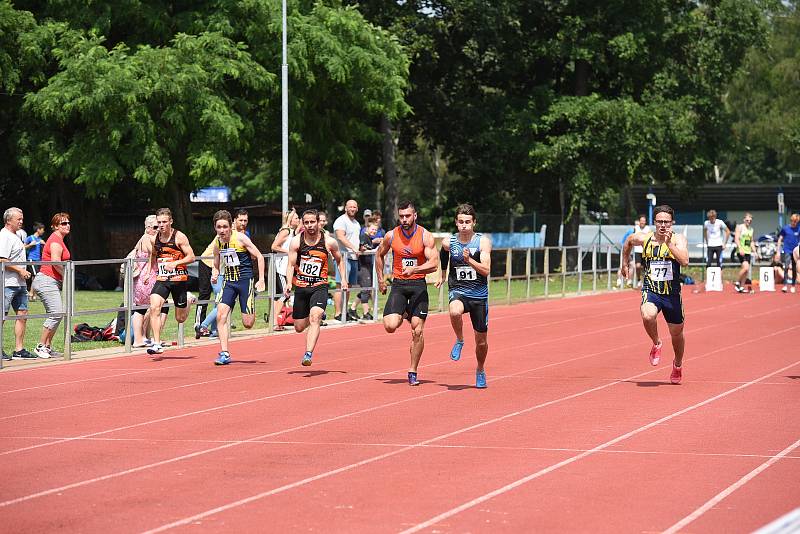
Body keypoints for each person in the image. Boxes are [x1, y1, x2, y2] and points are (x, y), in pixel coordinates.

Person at [622, 204, 689, 385]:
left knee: (676, 333)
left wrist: (668, 244)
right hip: (652, 290)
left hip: (672, 294)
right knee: (647, 314)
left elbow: (684, 260)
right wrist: (624, 263)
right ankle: (657, 342)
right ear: (654, 222)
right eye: (659, 221)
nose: (663, 225)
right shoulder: (645, 239)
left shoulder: (678, 239)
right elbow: (628, 241)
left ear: (672, 223)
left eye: (666, 222)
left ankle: (677, 364)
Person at [374, 200, 439, 386]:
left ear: (415, 216)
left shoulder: (425, 236)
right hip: (399, 285)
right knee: (390, 326)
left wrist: (416, 269)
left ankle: (412, 370)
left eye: (407, 216)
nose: (404, 219)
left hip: (418, 285)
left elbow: (434, 263)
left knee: (417, 330)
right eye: (401, 216)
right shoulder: (391, 236)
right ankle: (403, 312)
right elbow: (379, 254)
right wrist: (380, 280)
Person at [435, 204, 492, 388]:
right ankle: (460, 340)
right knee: (454, 311)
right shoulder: (449, 242)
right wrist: (443, 273)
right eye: (461, 222)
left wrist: (469, 260)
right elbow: (443, 253)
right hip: (458, 291)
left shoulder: (482, 242)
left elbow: (486, 271)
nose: (464, 225)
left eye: (468, 222)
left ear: (474, 222)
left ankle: (480, 369)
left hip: (479, 295)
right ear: (456, 223)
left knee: (481, 342)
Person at [283, 209, 346, 366]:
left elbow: (340, 260)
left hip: (319, 286)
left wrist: (343, 279)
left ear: (318, 222)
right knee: (298, 327)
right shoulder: (297, 241)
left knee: (314, 317)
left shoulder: (328, 242)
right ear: (303, 224)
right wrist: (289, 282)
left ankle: (308, 354)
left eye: (313, 222)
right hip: (302, 287)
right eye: (306, 222)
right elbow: (291, 264)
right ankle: (316, 315)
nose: (310, 225)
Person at [210, 210, 266, 365]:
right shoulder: (218, 242)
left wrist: (261, 279)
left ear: (231, 226)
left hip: (244, 282)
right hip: (228, 282)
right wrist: (215, 273)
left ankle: (248, 306)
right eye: (219, 227)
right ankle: (224, 353)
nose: (222, 230)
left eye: (225, 227)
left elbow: (260, 256)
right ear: (215, 227)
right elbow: (216, 262)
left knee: (248, 323)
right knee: (221, 315)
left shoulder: (241, 238)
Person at [145, 208, 195, 356]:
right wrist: (149, 272)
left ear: (171, 221)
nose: (161, 225)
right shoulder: (156, 239)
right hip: (163, 279)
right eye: (159, 222)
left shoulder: (179, 237)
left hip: (179, 280)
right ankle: (156, 343)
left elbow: (191, 257)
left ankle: (189, 300)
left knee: (180, 319)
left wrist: (175, 263)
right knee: (154, 306)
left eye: (164, 222)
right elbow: (153, 255)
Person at [31, 212, 72, 359]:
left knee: (57, 314)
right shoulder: (55, 240)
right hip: (46, 280)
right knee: (57, 312)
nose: (67, 225)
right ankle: (40, 346)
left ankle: (47, 347)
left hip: (51, 281)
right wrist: (67, 275)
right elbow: (55, 261)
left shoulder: (59, 239)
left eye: (68, 222)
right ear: (55, 226)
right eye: (63, 223)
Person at [0, 207, 34, 360]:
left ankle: (19, 349)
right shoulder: (4, 236)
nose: (21, 221)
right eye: (18, 219)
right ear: (8, 220)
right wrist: (20, 270)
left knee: (22, 314)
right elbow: (2, 259)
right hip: (7, 283)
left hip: (19, 284)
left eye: (22, 218)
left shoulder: (18, 235)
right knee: (2, 316)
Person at [129, 215, 165, 347]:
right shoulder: (147, 238)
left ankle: (144, 337)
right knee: (143, 309)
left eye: (160, 226)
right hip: (147, 278)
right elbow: (157, 253)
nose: (158, 229)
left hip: (146, 277)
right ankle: (139, 338)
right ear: (148, 228)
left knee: (147, 308)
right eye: (156, 227)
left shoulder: (146, 238)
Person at [333, 200, 362, 322]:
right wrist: (353, 247)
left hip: (353, 257)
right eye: (350, 206)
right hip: (343, 257)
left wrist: (360, 248)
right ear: (345, 208)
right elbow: (340, 237)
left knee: (348, 285)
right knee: (340, 285)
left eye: (354, 207)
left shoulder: (356, 223)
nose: (352, 208)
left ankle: (345, 312)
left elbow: (355, 239)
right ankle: (338, 313)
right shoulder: (341, 221)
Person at [271, 209, 299, 330]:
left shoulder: (291, 231)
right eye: (296, 218)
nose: (298, 220)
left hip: (285, 267)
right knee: (285, 295)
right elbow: (274, 246)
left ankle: (275, 322)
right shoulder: (286, 231)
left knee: (279, 296)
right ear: (290, 220)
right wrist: (289, 252)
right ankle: (274, 322)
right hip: (281, 267)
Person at [734, 213, 759, 293]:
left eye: (750, 221)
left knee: (746, 270)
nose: (749, 222)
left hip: (748, 252)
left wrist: (755, 252)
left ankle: (741, 287)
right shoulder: (740, 227)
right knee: (746, 267)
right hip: (741, 251)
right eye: (747, 220)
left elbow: (751, 241)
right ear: (744, 220)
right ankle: (737, 282)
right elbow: (736, 239)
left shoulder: (751, 229)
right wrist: (740, 248)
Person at [777, 213, 800, 293]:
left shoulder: (799, 228)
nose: (795, 223)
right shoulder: (785, 228)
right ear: (791, 220)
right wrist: (778, 251)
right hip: (787, 250)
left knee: (794, 268)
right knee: (786, 267)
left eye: (796, 222)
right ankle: (785, 285)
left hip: (795, 252)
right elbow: (780, 239)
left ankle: (793, 285)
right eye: (793, 221)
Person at [24, 222, 45, 300]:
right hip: (31, 259)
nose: (43, 231)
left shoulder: (40, 239)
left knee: (36, 277)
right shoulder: (30, 238)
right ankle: (31, 293)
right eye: (42, 230)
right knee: (35, 276)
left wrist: (44, 244)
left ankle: (34, 295)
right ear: (38, 230)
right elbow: (22, 247)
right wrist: (30, 245)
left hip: (38, 260)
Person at [632, 215, 650, 285]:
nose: (642, 222)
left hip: (645, 251)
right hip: (637, 250)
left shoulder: (648, 229)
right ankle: (638, 279)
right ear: (639, 221)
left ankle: (646, 280)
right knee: (638, 266)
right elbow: (632, 237)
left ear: (645, 222)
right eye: (641, 221)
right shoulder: (636, 228)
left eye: (644, 221)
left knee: (646, 267)